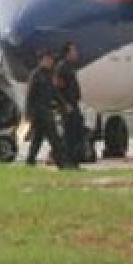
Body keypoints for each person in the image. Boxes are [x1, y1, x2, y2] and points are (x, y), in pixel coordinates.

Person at [24, 50, 65, 167]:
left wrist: (62, 104)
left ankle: (30, 162)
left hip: (46, 110)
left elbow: (54, 93)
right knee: (54, 139)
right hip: (39, 112)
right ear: (43, 59)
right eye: (49, 59)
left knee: (37, 139)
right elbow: (29, 95)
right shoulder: (36, 75)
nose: (52, 61)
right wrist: (28, 114)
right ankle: (63, 164)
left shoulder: (49, 74)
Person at [54, 41, 84, 169]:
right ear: (67, 53)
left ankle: (74, 162)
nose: (76, 53)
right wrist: (64, 104)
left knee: (77, 133)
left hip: (74, 105)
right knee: (69, 136)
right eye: (73, 51)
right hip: (67, 107)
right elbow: (57, 89)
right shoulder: (62, 68)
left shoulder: (71, 67)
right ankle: (67, 162)